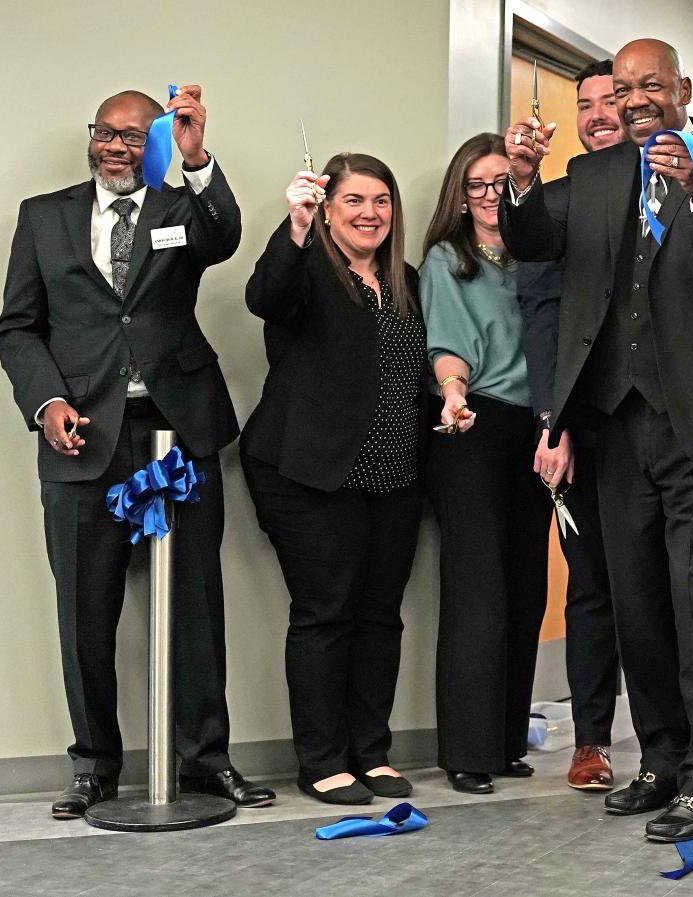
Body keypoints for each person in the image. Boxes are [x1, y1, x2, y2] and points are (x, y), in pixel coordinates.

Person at [502, 37, 693, 842]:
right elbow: (531, 244)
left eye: (649, 85)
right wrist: (523, 182)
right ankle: (661, 759)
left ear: (683, 89)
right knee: (638, 607)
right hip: (616, 423)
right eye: (622, 88)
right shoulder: (590, 177)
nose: (633, 100)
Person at [0, 85, 275, 818]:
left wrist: (195, 156)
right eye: (105, 133)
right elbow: (16, 328)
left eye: (133, 136)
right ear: (93, 137)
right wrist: (48, 402)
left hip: (176, 429)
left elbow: (225, 235)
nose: (116, 147)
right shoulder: (43, 217)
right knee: (85, 609)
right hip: (83, 435)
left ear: (153, 140)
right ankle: (94, 765)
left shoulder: (180, 206)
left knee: (195, 601)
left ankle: (206, 760)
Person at [240, 153, 427, 806]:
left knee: (380, 617)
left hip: (394, 475)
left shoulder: (405, 280)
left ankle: (369, 752)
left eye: (382, 200)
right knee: (326, 614)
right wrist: (293, 226)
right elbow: (263, 296)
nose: (370, 213)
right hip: (308, 475)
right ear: (326, 208)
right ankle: (321, 760)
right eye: (354, 201)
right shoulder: (308, 270)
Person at [418, 133, 553, 795]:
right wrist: (452, 392)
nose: (491, 195)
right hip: (470, 421)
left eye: (503, 182)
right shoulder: (449, 259)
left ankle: (505, 741)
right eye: (478, 184)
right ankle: (468, 750)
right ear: (460, 195)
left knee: (527, 587)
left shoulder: (538, 257)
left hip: (538, 431)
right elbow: (447, 340)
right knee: (479, 590)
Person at [514, 57, 625, 793]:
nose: (595, 114)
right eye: (583, 104)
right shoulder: (554, 202)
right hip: (585, 428)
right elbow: (542, 313)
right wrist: (551, 422)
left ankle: (674, 743)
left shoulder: (668, 193)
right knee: (591, 586)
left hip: (665, 430)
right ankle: (591, 742)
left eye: (610, 99)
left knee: (661, 592)